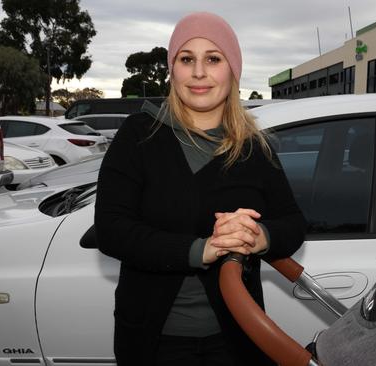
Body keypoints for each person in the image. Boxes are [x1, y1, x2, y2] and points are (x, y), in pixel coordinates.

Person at [94, 11, 306, 366]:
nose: (198, 72)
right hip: (154, 341)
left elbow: (294, 224)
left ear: (232, 69)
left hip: (237, 340)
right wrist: (201, 250)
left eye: (213, 58)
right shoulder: (138, 136)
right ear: (172, 69)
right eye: (186, 59)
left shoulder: (254, 148)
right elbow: (112, 230)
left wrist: (258, 236)